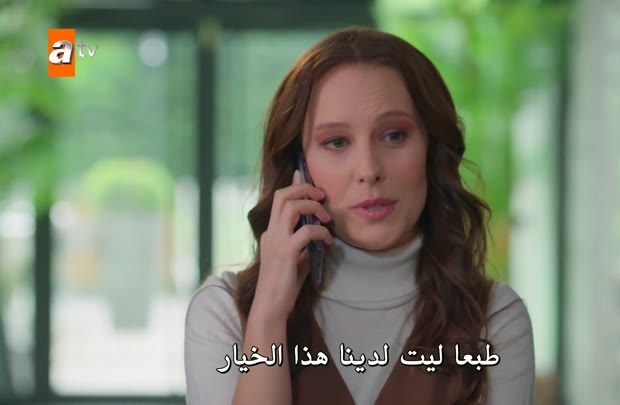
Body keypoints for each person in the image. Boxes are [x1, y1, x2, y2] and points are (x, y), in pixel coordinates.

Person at [184, 26, 534, 405]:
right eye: (336, 142)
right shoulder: (224, 313)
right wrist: (268, 317)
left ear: (432, 151)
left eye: (394, 136)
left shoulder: (495, 320)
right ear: (299, 166)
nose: (368, 170)